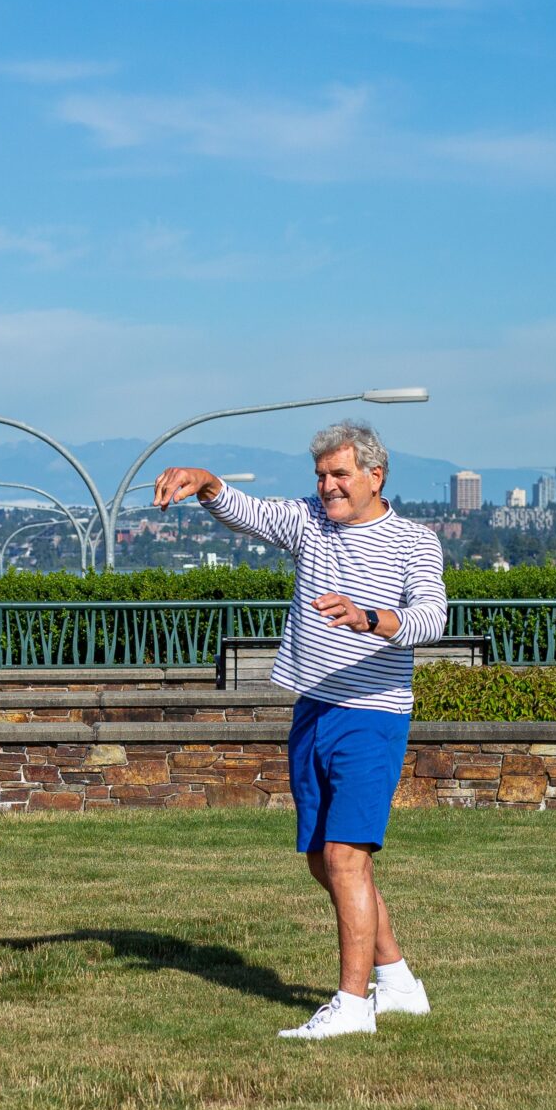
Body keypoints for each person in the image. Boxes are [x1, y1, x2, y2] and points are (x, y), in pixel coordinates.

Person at [152, 422, 447, 1040]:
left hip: (374, 714)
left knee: (346, 857)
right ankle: (396, 981)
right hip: (312, 708)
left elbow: (429, 618)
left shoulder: (415, 542)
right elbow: (247, 511)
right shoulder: (309, 521)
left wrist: (369, 618)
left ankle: (352, 1005)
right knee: (324, 859)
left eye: (340, 474)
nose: (328, 485)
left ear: (375, 476)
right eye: (321, 475)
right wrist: (205, 483)